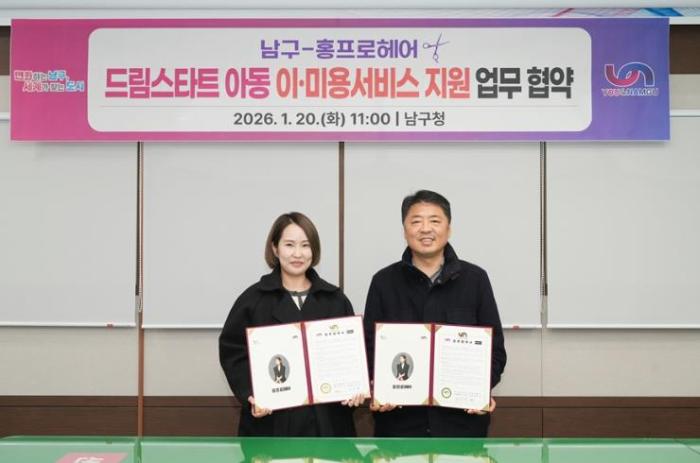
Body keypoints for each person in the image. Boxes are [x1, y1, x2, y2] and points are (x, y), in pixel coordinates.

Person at [363, 190, 507, 437]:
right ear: (405, 230)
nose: (425, 229)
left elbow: (495, 350)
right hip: (399, 425)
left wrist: (479, 389)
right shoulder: (383, 282)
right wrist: (379, 387)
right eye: (416, 221)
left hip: (461, 425)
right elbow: (369, 349)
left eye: (435, 221)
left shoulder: (475, 280)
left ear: (448, 229)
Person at [219, 212, 364, 437]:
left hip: (328, 425)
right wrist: (252, 393)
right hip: (272, 423)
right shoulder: (252, 300)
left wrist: (354, 389)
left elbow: (350, 356)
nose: (298, 253)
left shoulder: (335, 299)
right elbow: (233, 352)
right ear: (275, 248)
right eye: (289, 245)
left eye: (305, 245)